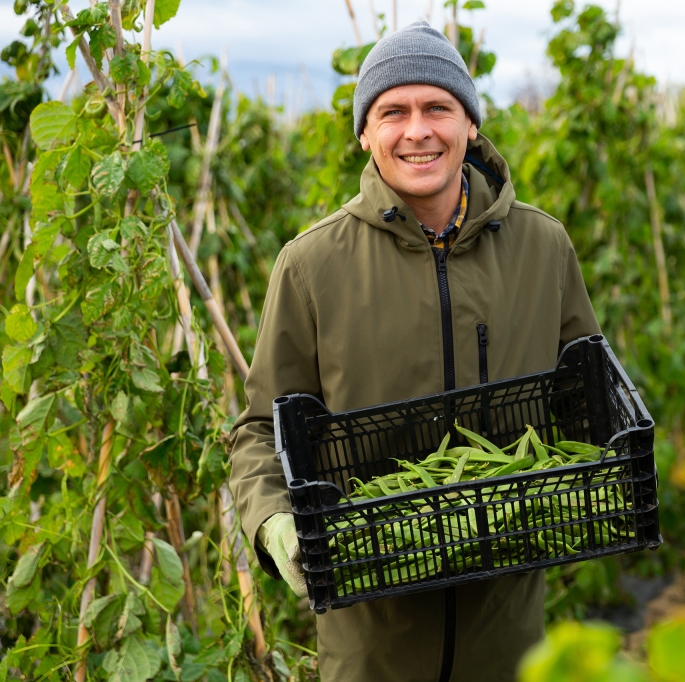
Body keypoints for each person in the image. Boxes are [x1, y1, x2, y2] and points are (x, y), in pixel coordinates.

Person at [228, 20, 600, 682]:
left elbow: (587, 393)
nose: (417, 130)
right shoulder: (312, 265)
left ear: (470, 127)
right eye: (392, 111)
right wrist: (273, 523)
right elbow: (260, 429)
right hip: (372, 644)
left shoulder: (544, 247)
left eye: (438, 108)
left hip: (508, 636)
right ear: (365, 134)